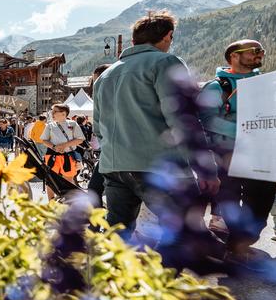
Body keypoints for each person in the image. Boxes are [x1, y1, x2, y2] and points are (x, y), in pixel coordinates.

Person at [93, 12, 219, 240]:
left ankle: (108, 274)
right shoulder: (166, 63)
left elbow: (98, 128)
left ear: (133, 41)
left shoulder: (105, 75)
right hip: (158, 166)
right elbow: (183, 120)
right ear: (168, 36)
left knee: (116, 235)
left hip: (114, 166)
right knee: (185, 231)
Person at [198, 39, 274, 256]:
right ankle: (237, 243)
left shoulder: (266, 83)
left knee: (263, 198)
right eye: (254, 51)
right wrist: (244, 132)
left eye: (261, 50)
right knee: (228, 197)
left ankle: (244, 238)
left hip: (260, 154)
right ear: (234, 56)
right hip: (227, 154)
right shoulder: (216, 86)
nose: (260, 54)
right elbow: (208, 121)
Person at [40, 103, 85, 201]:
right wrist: (54, 147)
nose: (52, 113)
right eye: (53, 111)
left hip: (69, 156)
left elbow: (80, 139)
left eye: (55, 111)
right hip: (52, 156)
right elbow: (44, 140)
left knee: (69, 179)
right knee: (51, 180)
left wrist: (64, 145)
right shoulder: (50, 125)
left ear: (64, 113)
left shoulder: (73, 124)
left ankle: (70, 202)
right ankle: (51, 203)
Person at [85, 64, 110, 204]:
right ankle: (95, 224)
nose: (96, 84)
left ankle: (95, 224)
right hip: (109, 154)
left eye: (97, 80)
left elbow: (98, 129)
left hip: (112, 155)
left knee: (94, 189)